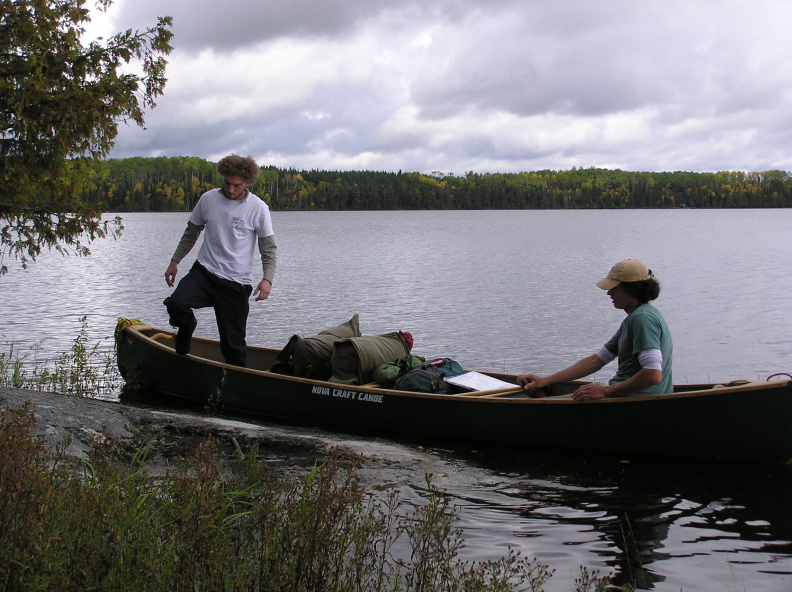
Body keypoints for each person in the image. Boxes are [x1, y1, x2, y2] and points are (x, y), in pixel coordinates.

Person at [163, 154, 276, 367]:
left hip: (236, 284)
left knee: (233, 347)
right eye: (227, 183)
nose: (231, 189)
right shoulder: (208, 199)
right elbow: (191, 233)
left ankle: (238, 390)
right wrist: (175, 261)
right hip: (204, 273)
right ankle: (187, 328)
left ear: (248, 183)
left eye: (236, 185)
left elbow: (268, 249)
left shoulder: (258, 208)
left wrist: (267, 279)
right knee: (176, 303)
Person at [517, 259, 673, 400]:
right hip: (627, 394)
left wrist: (605, 392)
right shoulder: (636, 317)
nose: (609, 293)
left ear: (631, 289)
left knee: (542, 403)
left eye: (614, 288)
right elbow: (596, 361)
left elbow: (653, 376)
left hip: (635, 399)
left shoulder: (642, 319)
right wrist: (547, 380)